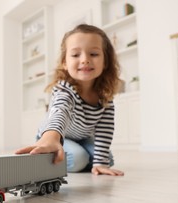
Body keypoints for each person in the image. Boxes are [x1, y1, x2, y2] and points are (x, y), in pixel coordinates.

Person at [16, 24, 124, 176]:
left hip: (81, 138)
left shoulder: (104, 95)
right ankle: (50, 153)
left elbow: (104, 129)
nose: (85, 60)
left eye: (93, 54)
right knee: (79, 158)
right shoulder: (64, 89)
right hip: (55, 135)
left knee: (106, 160)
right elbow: (60, 110)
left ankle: (83, 162)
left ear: (105, 61)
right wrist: (51, 137)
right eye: (75, 55)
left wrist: (100, 163)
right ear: (65, 63)